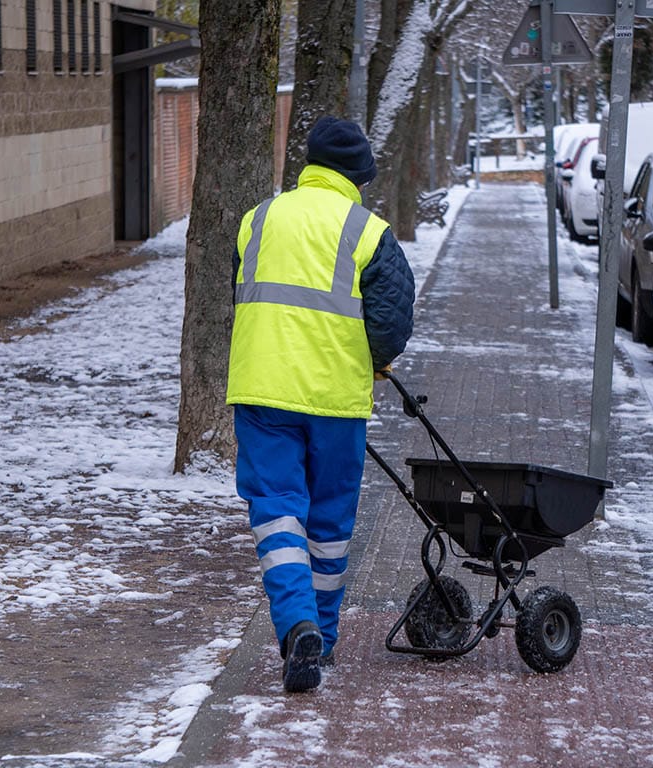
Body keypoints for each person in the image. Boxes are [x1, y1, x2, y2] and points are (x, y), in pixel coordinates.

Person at [226, 116, 415, 693]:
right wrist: (376, 361)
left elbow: (241, 289)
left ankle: (296, 625)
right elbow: (392, 319)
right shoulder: (369, 231)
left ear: (308, 166)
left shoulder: (257, 218)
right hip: (335, 401)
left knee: (277, 510)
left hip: (262, 392)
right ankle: (321, 641)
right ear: (359, 176)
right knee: (329, 525)